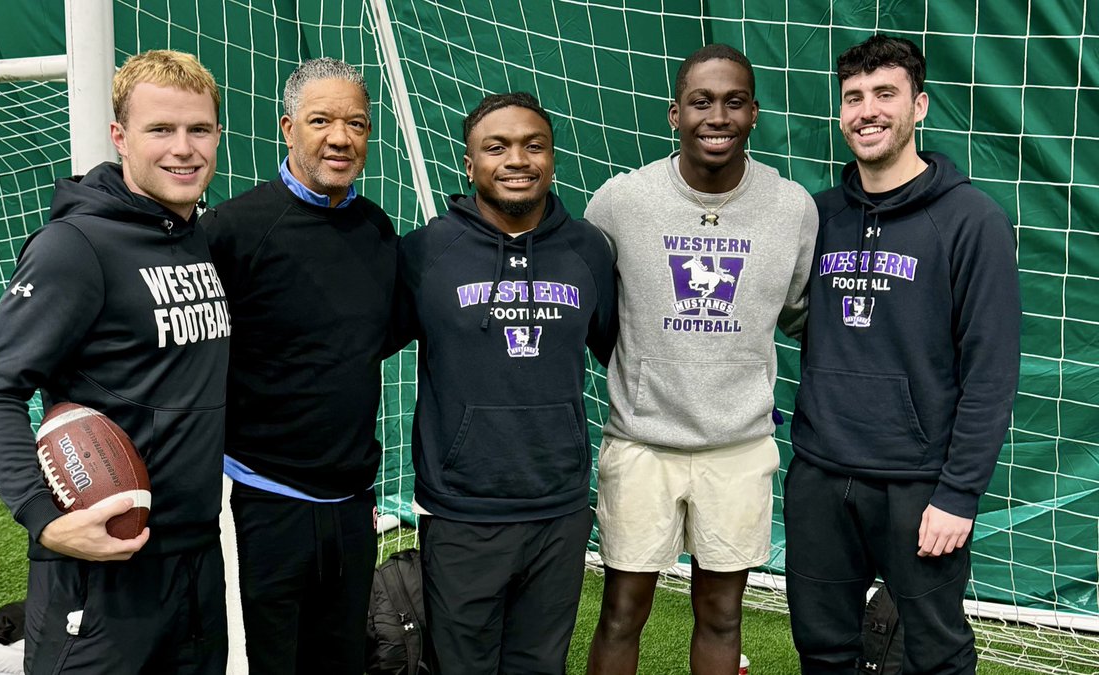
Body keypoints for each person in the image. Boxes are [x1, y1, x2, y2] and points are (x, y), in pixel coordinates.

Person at [0, 49, 229, 673]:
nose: (183, 148)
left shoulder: (198, 235)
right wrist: (44, 520)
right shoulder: (74, 246)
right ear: (120, 137)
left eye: (199, 129)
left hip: (194, 562)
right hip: (101, 572)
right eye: (160, 129)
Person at [784, 34, 1020, 674]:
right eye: (853, 97)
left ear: (919, 106)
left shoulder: (972, 220)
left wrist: (959, 494)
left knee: (935, 651)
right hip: (820, 473)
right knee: (822, 647)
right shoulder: (819, 215)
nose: (867, 110)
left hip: (919, 483)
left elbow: (991, 373)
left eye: (885, 94)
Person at [584, 44, 817, 675]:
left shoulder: (792, 206)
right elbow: (599, 315)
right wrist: (646, 370)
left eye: (733, 101)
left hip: (737, 447)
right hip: (641, 441)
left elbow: (800, 314)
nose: (717, 115)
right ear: (674, 114)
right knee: (621, 611)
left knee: (722, 613)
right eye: (701, 101)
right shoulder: (620, 202)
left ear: (754, 114)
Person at [396, 91, 617, 675]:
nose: (516, 159)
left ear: (552, 159)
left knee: (540, 665)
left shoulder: (588, 249)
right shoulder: (425, 253)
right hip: (464, 510)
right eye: (497, 147)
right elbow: (357, 349)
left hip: (559, 507)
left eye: (533, 145)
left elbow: (619, 349)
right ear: (470, 165)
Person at [200, 57, 398, 675]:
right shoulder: (231, 229)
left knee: (339, 659)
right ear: (287, 128)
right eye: (321, 121)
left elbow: (364, 344)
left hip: (352, 502)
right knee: (256, 663)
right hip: (258, 496)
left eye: (357, 124)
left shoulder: (375, 228)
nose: (341, 138)